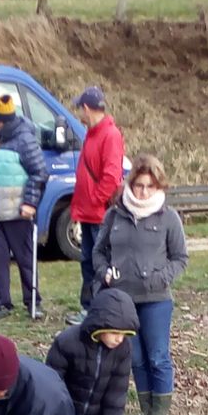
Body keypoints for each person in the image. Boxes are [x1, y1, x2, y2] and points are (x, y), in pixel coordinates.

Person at [95, 152, 188, 415]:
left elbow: (180, 258)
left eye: (149, 186)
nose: (143, 191)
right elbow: (98, 251)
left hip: (156, 299)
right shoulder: (115, 214)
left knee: (157, 356)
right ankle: (146, 411)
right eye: (138, 185)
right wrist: (105, 273)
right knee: (134, 357)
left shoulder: (168, 218)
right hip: (122, 300)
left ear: (158, 187)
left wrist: (161, 277)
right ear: (130, 184)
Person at [0, 92, 47, 322]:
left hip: (18, 213)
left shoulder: (24, 139)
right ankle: (3, 303)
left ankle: (33, 302)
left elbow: (39, 173)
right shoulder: (0, 137)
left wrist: (30, 203)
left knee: (25, 259)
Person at [66, 86, 125, 327]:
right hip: (89, 211)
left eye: (80, 108)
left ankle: (102, 308)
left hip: (98, 213)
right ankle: (90, 307)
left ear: (87, 108)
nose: (79, 113)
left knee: (100, 262)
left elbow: (111, 176)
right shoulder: (92, 133)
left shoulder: (109, 135)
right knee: (88, 261)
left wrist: (95, 201)